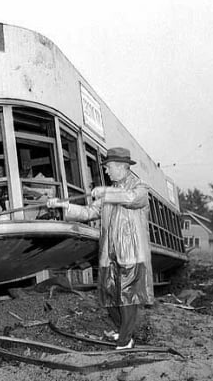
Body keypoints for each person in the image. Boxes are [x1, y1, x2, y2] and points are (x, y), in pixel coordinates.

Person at [47, 147, 154, 349]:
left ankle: (126, 339)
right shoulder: (111, 191)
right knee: (110, 293)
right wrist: (64, 206)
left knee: (128, 296)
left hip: (131, 253)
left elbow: (132, 199)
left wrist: (106, 192)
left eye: (109, 167)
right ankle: (122, 329)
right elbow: (89, 212)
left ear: (122, 167)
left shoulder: (139, 188)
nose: (106, 171)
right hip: (110, 252)